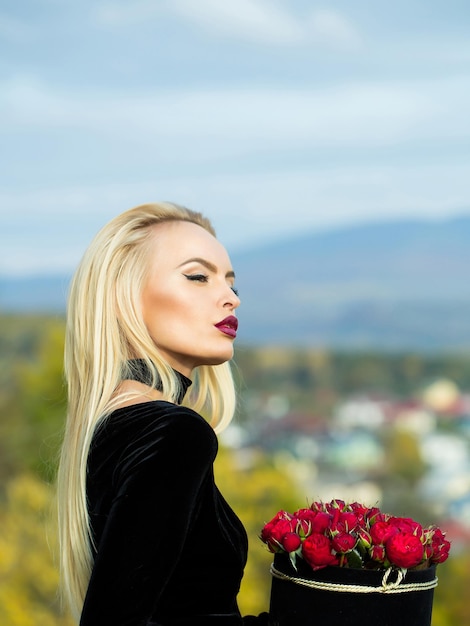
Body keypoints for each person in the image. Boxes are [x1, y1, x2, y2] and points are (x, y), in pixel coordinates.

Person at [57, 203, 270, 625]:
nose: (231, 298)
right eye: (197, 277)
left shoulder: (113, 424)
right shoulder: (173, 433)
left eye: (231, 283)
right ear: (124, 298)